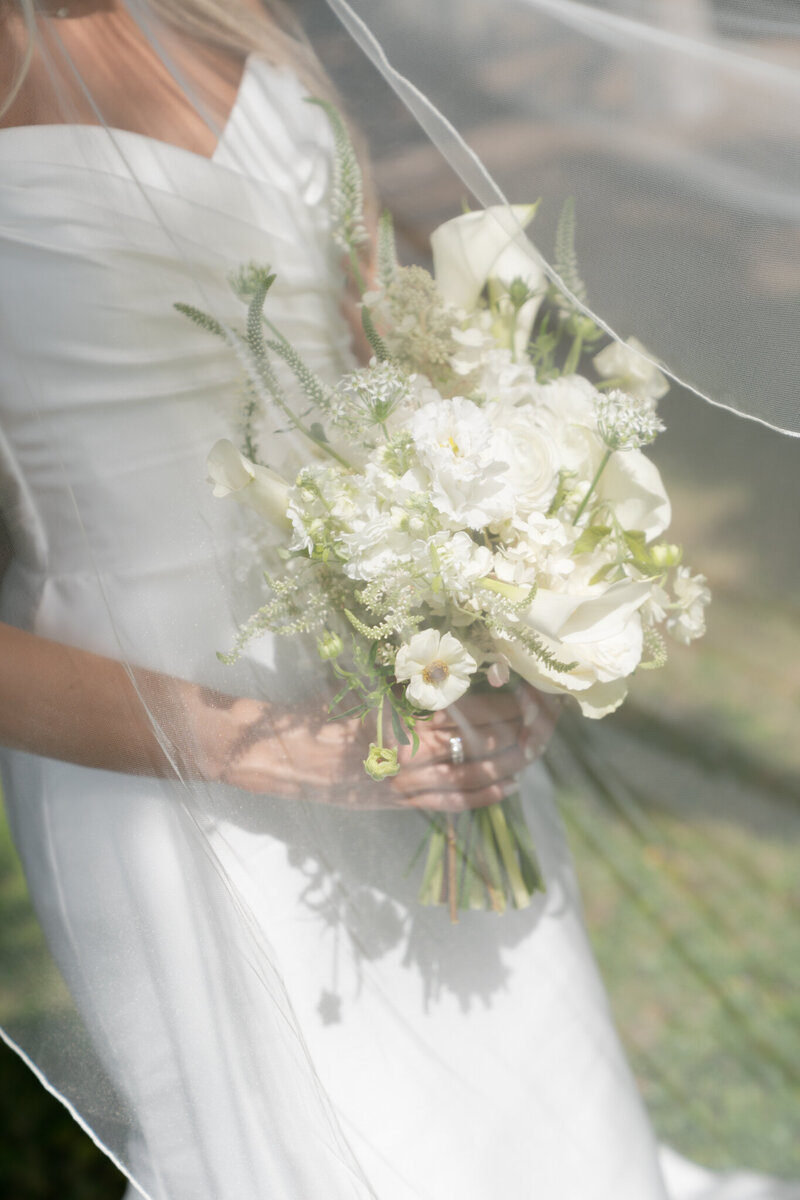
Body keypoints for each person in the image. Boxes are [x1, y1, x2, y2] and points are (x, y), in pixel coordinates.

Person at [0, 1, 798, 1197]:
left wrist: (495, 619)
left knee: (533, 1098)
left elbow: (378, 339)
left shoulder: (243, 20)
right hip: (159, 739)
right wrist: (269, 752)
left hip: (396, 654)